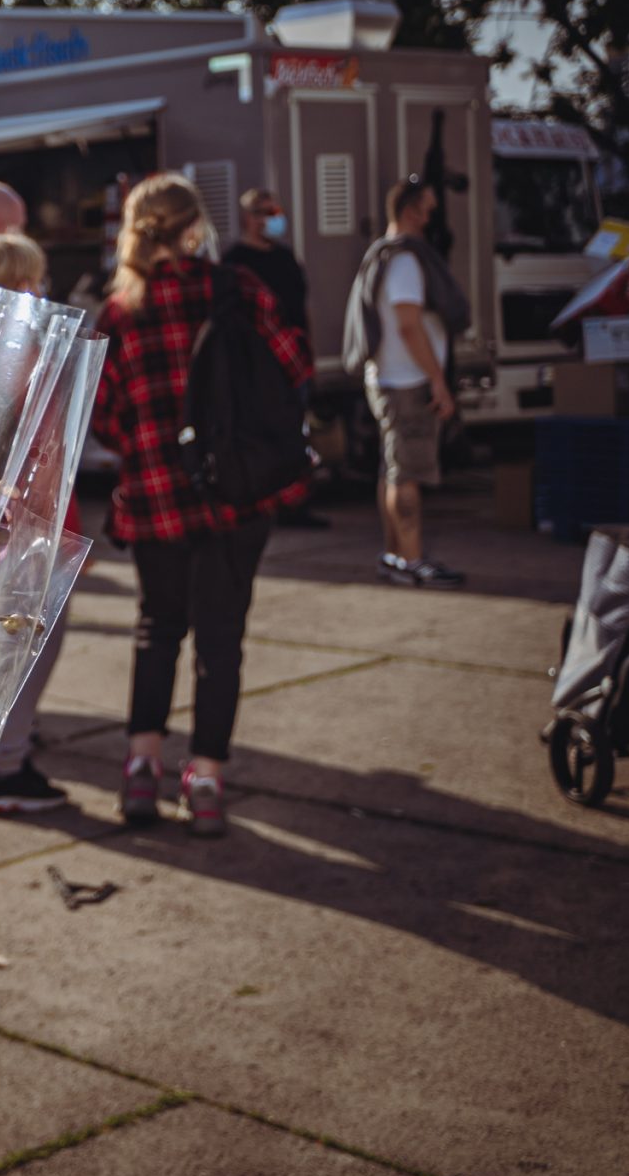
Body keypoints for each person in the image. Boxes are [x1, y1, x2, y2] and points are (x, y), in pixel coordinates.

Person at [95, 175, 311, 838]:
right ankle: (207, 779)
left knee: (158, 628)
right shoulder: (238, 289)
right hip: (237, 494)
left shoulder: (119, 309)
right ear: (194, 228)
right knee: (221, 640)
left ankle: (140, 769)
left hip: (157, 496)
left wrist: (152, 441)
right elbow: (295, 369)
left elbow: (103, 417)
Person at [0, 233, 74, 816]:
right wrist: (50, 536)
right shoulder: (27, 347)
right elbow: (49, 454)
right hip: (20, 524)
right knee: (25, 646)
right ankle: (5, 767)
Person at [345, 177, 469, 588]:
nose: (432, 220)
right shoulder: (405, 261)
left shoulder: (380, 254)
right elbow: (408, 325)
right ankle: (411, 561)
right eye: (430, 211)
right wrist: (438, 380)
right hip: (407, 382)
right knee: (407, 475)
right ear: (412, 211)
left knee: (393, 469)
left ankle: (396, 556)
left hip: (387, 378)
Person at [224, 189, 329, 530]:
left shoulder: (285, 259)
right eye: (264, 212)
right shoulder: (235, 263)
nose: (272, 218)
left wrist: (308, 356)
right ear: (248, 218)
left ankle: (296, 503)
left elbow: (304, 308)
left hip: (292, 365)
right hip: (256, 371)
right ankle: (263, 502)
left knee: (295, 436)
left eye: (275, 210)